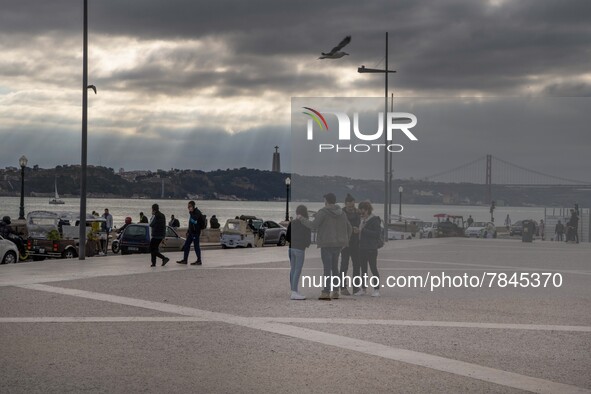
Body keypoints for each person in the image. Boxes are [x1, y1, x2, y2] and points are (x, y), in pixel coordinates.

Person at [299, 193, 352, 300]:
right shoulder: (342, 213)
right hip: (338, 245)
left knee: (327, 268)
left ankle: (326, 292)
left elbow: (313, 226)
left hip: (326, 244)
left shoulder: (323, 212)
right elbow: (349, 228)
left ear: (326, 201)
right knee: (335, 268)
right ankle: (336, 291)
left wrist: (301, 219)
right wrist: (345, 241)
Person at [356, 201, 382, 297]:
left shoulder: (374, 220)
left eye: (363, 211)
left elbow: (377, 234)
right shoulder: (362, 220)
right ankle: (363, 288)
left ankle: (376, 289)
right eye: (360, 211)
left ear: (367, 210)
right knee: (363, 269)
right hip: (362, 247)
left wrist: (364, 230)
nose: (361, 213)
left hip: (371, 248)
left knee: (373, 268)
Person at [286, 205, 312, 300]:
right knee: (297, 270)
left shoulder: (292, 223)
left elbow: (287, 236)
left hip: (291, 248)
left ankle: (294, 289)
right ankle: (294, 292)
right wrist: (306, 245)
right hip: (300, 249)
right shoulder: (306, 224)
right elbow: (308, 238)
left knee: (293, 269)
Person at [339, 193, 360, 296]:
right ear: (345, 204)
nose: (351, 207)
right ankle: (342, 287)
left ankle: (356, 288)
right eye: (350, 206)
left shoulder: (357, 212)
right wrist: (352, 229)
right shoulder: (341, 213)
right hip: (345, 243)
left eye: (353, 205)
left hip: (355, 242)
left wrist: (358, 229)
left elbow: (361, 223)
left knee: (356, 265)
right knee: (344, 265)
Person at [176, 200, 204, 265]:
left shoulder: (197, 212)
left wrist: (191, 213)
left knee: (196, 246)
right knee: (186, 245)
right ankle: (185, 260)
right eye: (188, 206)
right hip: (191, 232)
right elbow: (191, 223)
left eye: (189, 206)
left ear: (193, 206)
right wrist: (188, 231)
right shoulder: (192, 212)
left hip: (195, 232)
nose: (188, 208)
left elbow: (194, 220)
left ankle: (199, 260)